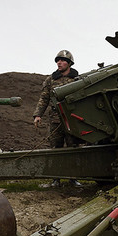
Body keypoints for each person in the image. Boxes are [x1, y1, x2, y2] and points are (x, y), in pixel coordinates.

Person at [33, 50, 82, 187]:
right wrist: (38, 115)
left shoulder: (77, 79)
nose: (59, 63)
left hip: (72, 119)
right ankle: (56, 179)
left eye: (62, 60)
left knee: (73, 148)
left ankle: (73, 178)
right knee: (55, 148)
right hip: (55, 119)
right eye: (57, 60)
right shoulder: (50, 80)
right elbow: (44, 98)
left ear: (69, 63)